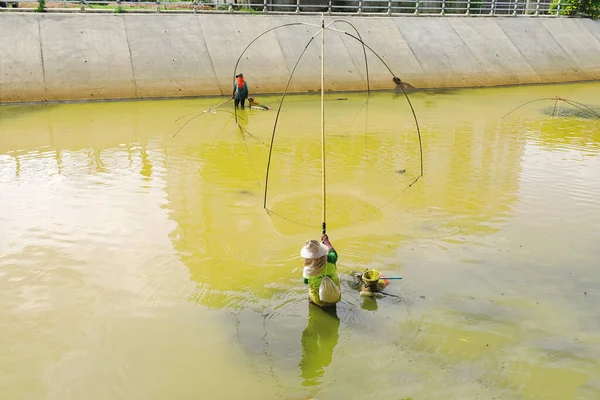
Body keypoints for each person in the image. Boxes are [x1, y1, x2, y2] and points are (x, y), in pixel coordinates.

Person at [301, 234, 341, 307]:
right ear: (321, 251)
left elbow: (305, 282)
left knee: (312, 298)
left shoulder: (307, 269)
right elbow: (333, 251)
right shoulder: (331, 259)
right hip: (334, 295)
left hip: (317, 299)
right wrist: (326, 241)